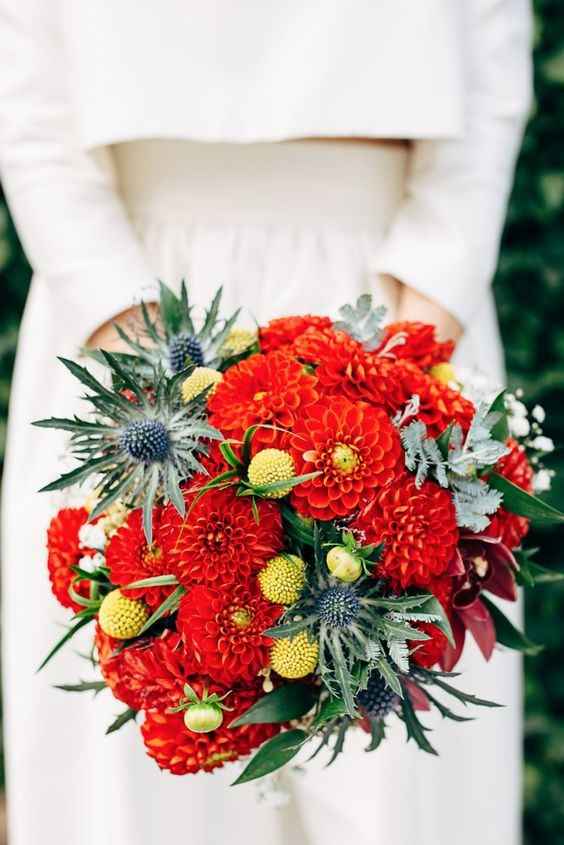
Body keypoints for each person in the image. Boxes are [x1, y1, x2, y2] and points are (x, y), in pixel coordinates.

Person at [0, 2, 533, 844]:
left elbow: (490, 77)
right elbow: (30, 107)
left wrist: (408, 351)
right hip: (129, 309)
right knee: (141, 781)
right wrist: (140, 363)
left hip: (385, 302)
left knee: (403, 797)